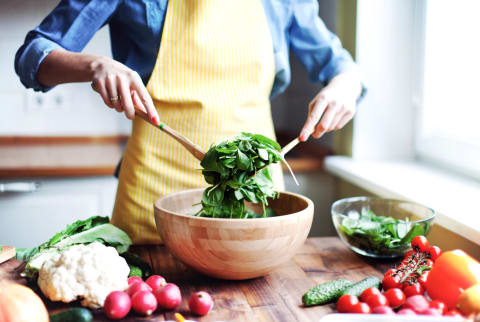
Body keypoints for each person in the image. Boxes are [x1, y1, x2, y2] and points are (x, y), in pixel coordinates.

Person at [15, 0, 364, 244]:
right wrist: (95, 65)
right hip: (152, 199)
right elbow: (33, 55)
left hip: (256, 193)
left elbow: (341, 67)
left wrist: (345, 86)